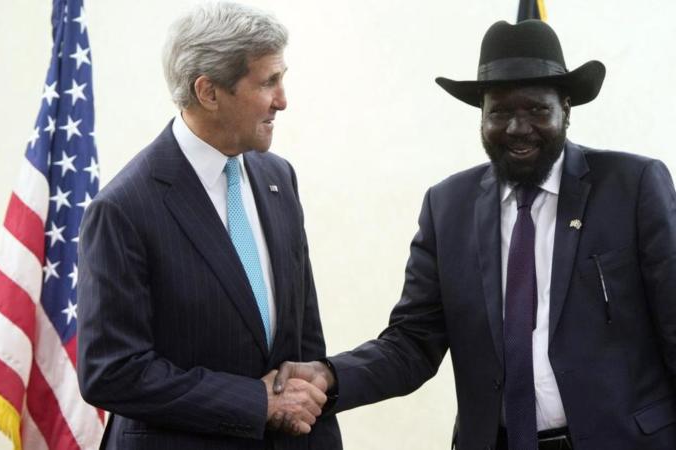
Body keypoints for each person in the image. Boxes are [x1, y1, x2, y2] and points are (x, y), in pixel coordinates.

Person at [274, 19, 676, 450]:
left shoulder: (632, 187)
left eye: (537, 110)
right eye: (500, 112)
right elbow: (412, 342)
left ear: (566, 109)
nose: (518, 128)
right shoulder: (447, 207)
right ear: (482, 116)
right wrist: (330, 375)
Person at [77, 2, 342, 449]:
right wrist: (255, 403)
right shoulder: (123, 209)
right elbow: (112, 371)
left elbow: (304, 344)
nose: (282, 100)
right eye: (268, 82)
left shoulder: (278, 178)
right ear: (209, 92)